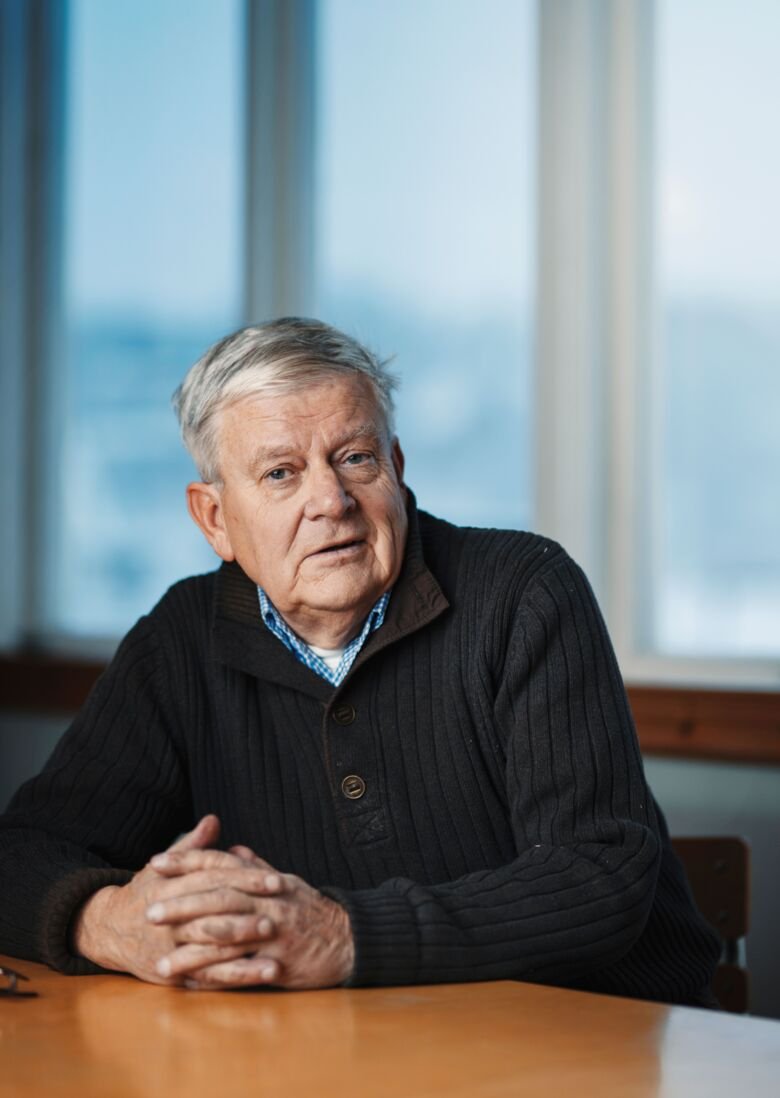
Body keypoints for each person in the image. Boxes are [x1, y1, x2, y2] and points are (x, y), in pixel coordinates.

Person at [0, 318, 720, 1001]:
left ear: (397, 469)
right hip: (351, 1056)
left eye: (355, 458)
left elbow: (599, 877)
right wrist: (109, 920)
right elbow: (21, 853)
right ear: (214, 518)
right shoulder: (179, 639)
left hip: (597, 1045)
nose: (331, 500)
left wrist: (343, 937)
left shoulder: (525, 591)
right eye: (280, 473)